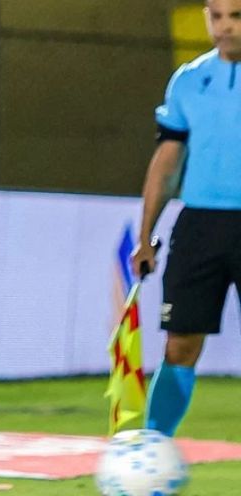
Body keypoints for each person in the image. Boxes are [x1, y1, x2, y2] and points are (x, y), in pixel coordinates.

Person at [131, 0, 241, 438]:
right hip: (199, 227)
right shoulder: (189, 81)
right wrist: (145, 236)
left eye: (236, 16)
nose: (225, 27)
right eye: (216, 16)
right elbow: (167, 162)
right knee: (179, 344)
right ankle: (153, 449)